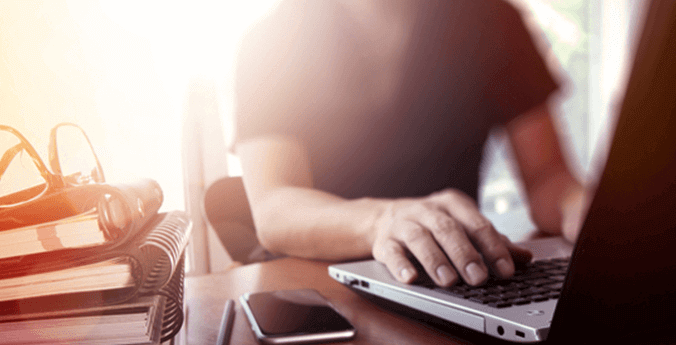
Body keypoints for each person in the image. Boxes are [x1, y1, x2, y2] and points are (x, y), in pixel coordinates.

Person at [233, 0, 589, 287]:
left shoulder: (493, 19)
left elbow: (548, 175)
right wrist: (382, 221)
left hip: (455, 282)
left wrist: (582, 208)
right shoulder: (270, 41)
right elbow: (275, 208)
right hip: (320, 288)